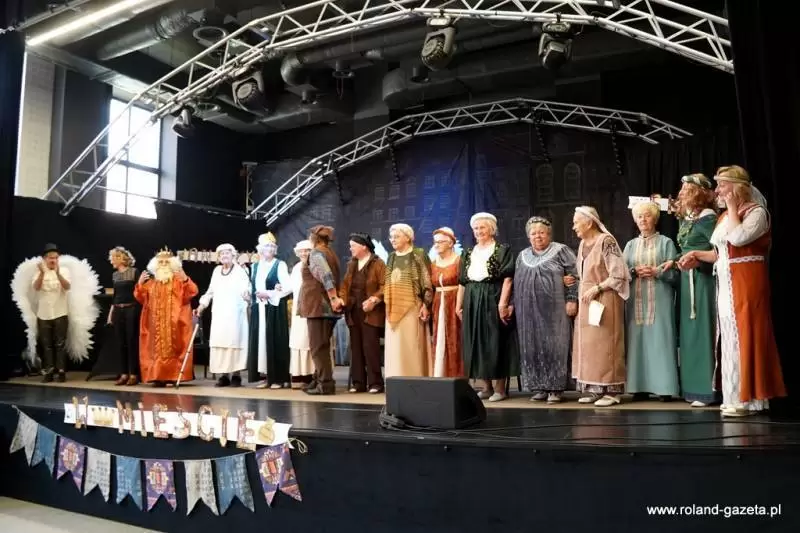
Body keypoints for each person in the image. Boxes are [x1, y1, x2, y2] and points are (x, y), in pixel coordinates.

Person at [680, 165, 785, 416]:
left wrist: (732, 208)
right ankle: (733, 395)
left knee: (746, 334)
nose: (717, 191)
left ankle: (749, 399)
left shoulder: (756, 213)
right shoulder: (725, 216)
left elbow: (738, 238)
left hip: (747, 281)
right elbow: (719, 252)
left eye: (722, 185)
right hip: (726, 283)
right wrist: (696, 256)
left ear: (738, 187)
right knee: (728, 336)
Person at [664, 174, 719, 407]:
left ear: (698, 193)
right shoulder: (688, 219)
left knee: (702, 331)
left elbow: (721, 251)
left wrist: (699, 260)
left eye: (687, 190)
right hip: (688, 281)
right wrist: (674, 260)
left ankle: (708, 389)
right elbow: (686, 247)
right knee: (689, 333)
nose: (682, 193)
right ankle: (692, 388)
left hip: (703, 281)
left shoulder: (708, 219)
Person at [11, 243, 101, 382]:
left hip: (61, 313)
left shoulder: (64, 270)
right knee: (46, 344)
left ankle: (61, 371)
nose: (53, 260)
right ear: (45, 259)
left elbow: (67, 286)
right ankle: (49, 371)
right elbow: (36, 287)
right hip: (43, 314)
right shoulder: (38, 272)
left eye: (56, 257)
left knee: (60, 343)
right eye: (51, 258)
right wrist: (42, 273)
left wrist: (58, 273)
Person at [514, 216, 578, 403]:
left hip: (554, 310)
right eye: (533, 233)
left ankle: (556, 388)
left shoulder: (561, 250)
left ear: (549, 234)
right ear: (528, 236)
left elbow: (575, 275)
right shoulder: (522, 255)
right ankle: (539, 386)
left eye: (542, 232)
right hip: (527, 310)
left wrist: (572, 299)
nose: (538, 236)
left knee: (555, 345)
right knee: (532, 345)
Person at [456, 212, 519, 402]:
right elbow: (463, 281)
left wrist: (503, 303)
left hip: (493, 295)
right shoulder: (468, 252)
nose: (478, 231)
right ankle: (486, 387)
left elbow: (508, 278)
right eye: (475, 228)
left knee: (495, 340)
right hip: (472, 298)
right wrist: (459, 305)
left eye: (482, 227)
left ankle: (500, 388)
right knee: (475, 341)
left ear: (491, 229)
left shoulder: (501, 250)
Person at [571, 206, 629, 407]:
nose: (574, 226)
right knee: (589, 346)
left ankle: (612, 391)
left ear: (588, 223)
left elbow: (618, 274)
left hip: (605, 297)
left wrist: (597, 288)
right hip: (587, 299)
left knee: (606, 344)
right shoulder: (582, 244)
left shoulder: (606, 241)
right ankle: (595, 388)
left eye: (576, 222)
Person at [623, 201, 680, 400]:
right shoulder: (630, 245)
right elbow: (621, 273)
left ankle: (665, 388)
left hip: (660, 299)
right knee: (637, 341)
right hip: (636, 301)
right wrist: (633, 271)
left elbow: (675, 275)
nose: (643, 220)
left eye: (647, 216)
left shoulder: (666, 243)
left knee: (661, 339)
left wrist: (657, 272)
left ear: (655, 219)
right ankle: (639, 387)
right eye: (639, 216)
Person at [134, 248, 199, 386]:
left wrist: (185, 279)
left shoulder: (179, 281)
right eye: (161, 262)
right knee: (156, 350)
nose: (163, 264)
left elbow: (192, 292)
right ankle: (158, 376)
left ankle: (173, 376)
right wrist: (139, 284)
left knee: (175, 348)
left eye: (167, 262)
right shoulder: (151, 283)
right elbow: (141, 298)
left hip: (175, 324)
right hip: (155, 325)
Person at [195, 243, 250, 387]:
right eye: (222, 254)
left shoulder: (240, 271)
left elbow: (247, 287)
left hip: (235, 314)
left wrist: (247, 294)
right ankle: (224, 376)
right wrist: (202, 305)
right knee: (221, 343)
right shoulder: (216, 271)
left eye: (227, 253)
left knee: (234, 343)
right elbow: (210, 291)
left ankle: (236, 375)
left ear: (233, 255)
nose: (224, 256)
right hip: (220, 314)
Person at [298, 225, 343, 395]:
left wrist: (333, 298)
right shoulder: (330, 253)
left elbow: (326, 276)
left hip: (319, 307)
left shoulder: (317, 253)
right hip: (323, 307)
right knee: (322, 345)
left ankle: (325, 384)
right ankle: (318, 380)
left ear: (314, 238)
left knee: (318, 347)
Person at [383, 224, 433, 378]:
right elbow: (388, 282)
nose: (393, 240)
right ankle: (395, 379)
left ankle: (414, 379)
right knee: (395, 346)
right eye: (391, 237)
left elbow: (427, 281)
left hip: (412, 306)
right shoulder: (391, 256)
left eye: (397, 236)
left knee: (411, 345)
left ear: (408, 237)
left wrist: (426, 305)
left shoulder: (418, 254)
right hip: (393, 307)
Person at [340, 232, 386, 393]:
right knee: (356, 347)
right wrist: (342, 300)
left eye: (353, 246)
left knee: (370, 347)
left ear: (364, 247)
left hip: (371, 312)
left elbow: (385, 285)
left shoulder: (378, 264)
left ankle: (375, 383)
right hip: (354, 311)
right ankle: (358, 382)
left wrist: (374, 299)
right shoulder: (352, 264)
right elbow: (345, 286)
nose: (350, 249)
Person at [248, 233, 292, 389]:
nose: (271, 249)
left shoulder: (279, 265)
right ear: (260, 249)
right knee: (261, 342)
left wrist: (270, 293)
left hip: (274, 308)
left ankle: (279, 378)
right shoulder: (255, 266)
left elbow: (288, 287)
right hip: (259, 308)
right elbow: (252, 286)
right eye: (267, 246)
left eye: (273, 247)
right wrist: (248, 294)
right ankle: (266, 376)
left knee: (275, 340)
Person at [430, 227, 463, 378]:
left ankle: (457, 375)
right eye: (435, 242)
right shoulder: (433, 263)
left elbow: (463, 283)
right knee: (439, 336)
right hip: (438, 303)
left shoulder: (458, 261)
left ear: (450, 243)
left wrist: (459, 304)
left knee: (455, 337)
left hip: (454, 301)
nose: (436, 245)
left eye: (440, 242)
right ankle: (440, 373)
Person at [107, 246, 140, 386]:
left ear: (121, 258)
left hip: (131, 309)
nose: (112, 260)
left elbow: (139, 292)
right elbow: (115, 296)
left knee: (131, 341)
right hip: (118, 310)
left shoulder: (134, 272)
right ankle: (123, 373)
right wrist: (110, 314)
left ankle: (133, 374)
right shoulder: (114, 275)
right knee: (121, 343)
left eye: (114, 257)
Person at [289, 240, 314, 386]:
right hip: (298, 310)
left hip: (312, 308)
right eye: (301, 251)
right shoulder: (296, 268)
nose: (304, 253)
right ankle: (299, 374)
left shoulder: (315, 265)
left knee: (310, 340)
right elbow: (290, 287)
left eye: (307, 250)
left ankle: (311, 374)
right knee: (299, 340)